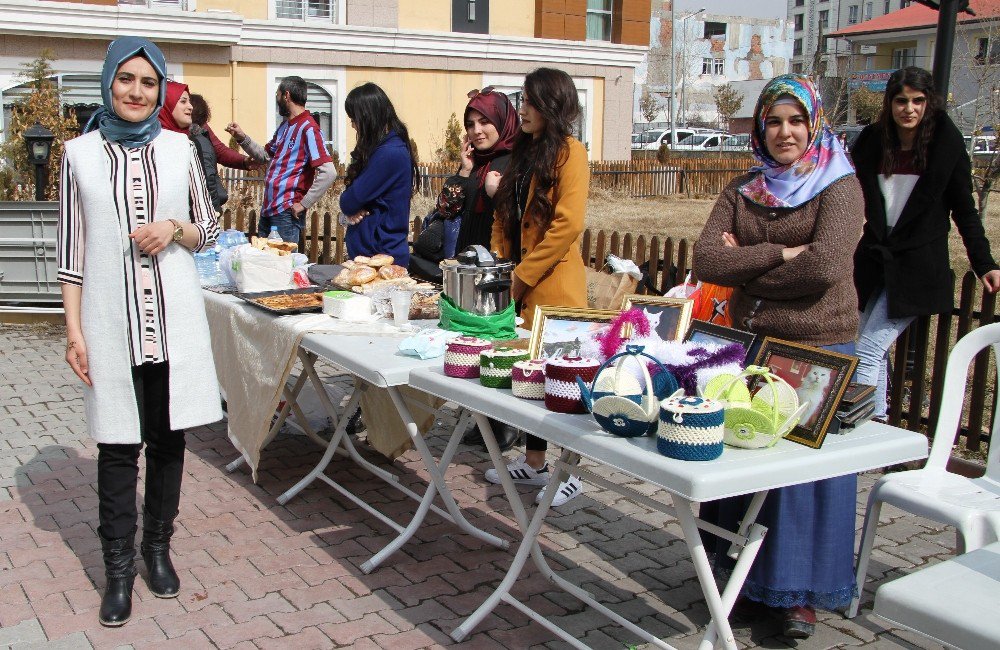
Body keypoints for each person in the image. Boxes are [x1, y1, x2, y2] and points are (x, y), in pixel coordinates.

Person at [59, 36, 223, 627]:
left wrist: (171, 228)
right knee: (116, 444)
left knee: (168, 437)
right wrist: (74, 332)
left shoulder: (180, 150)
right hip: (107, 321)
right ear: (108, 83)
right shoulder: (77, 155)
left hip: (171, 322)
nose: (136, 91)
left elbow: (207, 227)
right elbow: (71, 254)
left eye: (148, 82)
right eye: (126, 79)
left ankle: (158, 549)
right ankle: (118, 569)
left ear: (160, 90)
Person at [692, 74, 862, 638]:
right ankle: (735, 580)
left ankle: (795, 597)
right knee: (742, 458)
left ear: (812, 123)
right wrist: (781, 250)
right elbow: (705, 260)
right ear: (760, 128)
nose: (785, 132)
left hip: (815, 345)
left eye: (795, 120)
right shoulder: (745, 187)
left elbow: (827, 267)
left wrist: (751, 265)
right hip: (749, 344)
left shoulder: (839, 185)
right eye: (773, 120)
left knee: (798, 478)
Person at [852, 66, 1000, 420]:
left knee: (868, 348)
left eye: (918, 101)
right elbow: (846, 194)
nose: (909, 109)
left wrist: (984, 263)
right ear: (889, 103)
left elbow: (965, 210)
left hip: (916, 266)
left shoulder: (945, 146)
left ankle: (868, 430)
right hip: (874, 263)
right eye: (901, 100)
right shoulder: (872, 142)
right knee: (872, 348)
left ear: (929, 103)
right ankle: (881, 420)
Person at [483, 68, 590, 507]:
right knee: (530, 382)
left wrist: (522, 278)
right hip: (519, 286)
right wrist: (499, 262)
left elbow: (567, 225)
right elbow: (502, 215)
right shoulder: (523, 155)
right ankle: (534, 462)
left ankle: (572, 472)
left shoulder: (572, 152)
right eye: (520, 99)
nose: (521, 108)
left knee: (565, 385)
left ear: (552, 104)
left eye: (529, 100)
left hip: (554, 290)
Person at [225, 76, 337, 243]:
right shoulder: (285, 127)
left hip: (286, 212)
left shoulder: (309, 129)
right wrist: (242, 138)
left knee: (283, 265)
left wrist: (304, 204)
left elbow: (329, 172)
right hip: (269, 209)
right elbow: (264, 156)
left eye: (277, 95)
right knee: (266, 264)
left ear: (286, 95)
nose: (276, 100)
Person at [339, 82, 418, 266]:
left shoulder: (389, 154)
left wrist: (351, 208)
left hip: (381, 258)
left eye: (354, 119)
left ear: (368, 118)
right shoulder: (384, 149)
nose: (353, 125)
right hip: (374, 256)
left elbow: (349, 201)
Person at [188, 94, 228, 212]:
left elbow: (208, 178)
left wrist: (214, 210)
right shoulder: (199, 138)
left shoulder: (197, 140)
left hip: (203, 210)